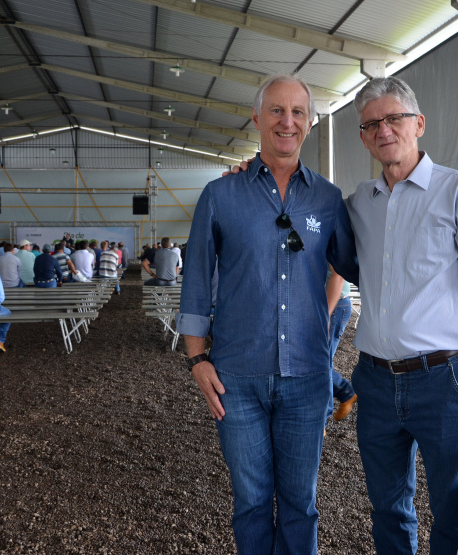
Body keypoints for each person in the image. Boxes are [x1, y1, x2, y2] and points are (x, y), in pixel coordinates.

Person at [176, 73, 357, 555]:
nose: (287, 121)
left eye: (298, 112)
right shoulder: (221, 195)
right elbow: (195, 276)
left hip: (307, 377)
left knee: (301, 502)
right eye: (276, 110)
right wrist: (197, 359)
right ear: (257, 117)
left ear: (311, 123)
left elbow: (353, 263)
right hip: (237, 376)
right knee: (251, 501)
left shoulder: (328, 198)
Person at [343, 77, 458, 553]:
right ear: (363, 137)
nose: (384, 130)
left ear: (418, 124)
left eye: (394, 118)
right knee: (387, 506)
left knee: (455, 505)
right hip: (375, 382)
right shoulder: (359, 204)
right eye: (371, 124)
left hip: (443, 378)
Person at [326, 265, 356, 422]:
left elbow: (338, 274)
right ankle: (346, 392)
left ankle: (323, 418)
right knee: (320, 362)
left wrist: (326, 314)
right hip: (330, 304)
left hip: (334, 305)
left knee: (321, 363)